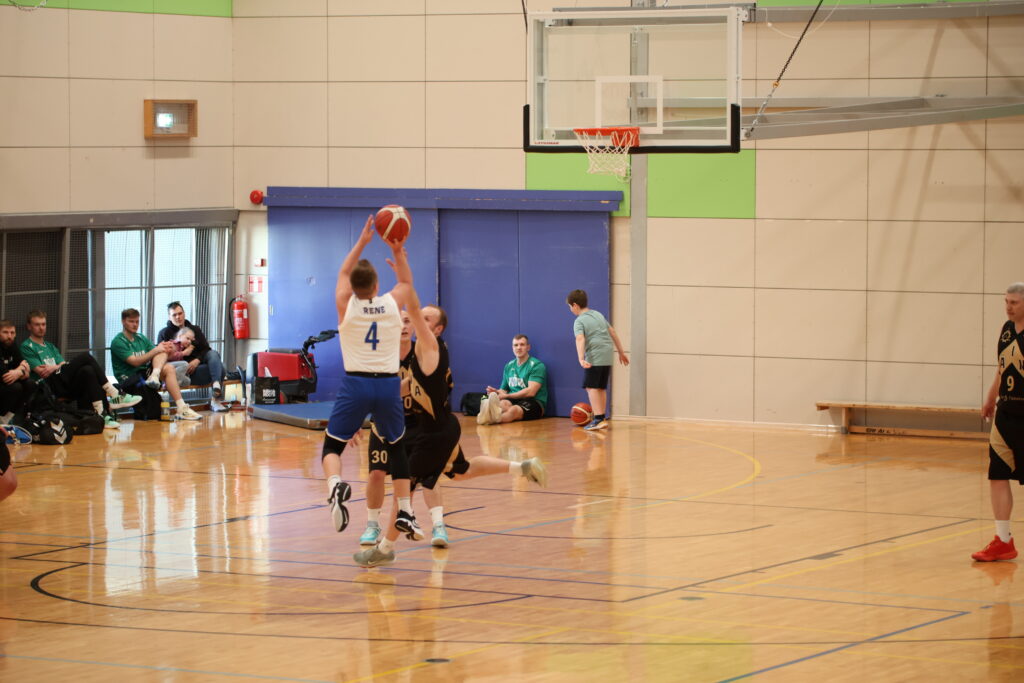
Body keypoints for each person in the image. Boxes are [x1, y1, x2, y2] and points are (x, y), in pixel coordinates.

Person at [354, 292, 549, 568]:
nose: (416, 321)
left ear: (437, 329)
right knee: (460, 471)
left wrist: (402, 282)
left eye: (424, 319)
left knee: (404, 490)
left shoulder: (429, 351)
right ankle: (521, 467)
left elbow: (411, 316)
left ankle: (386, 548)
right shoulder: (416, 353)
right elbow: (400, 387)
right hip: (436, 427)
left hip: (430, 432)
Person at [322, 214, 421, 540]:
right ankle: (405, 510)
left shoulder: (346, 305)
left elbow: (342, 272)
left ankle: (335, 485)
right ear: (378, 286)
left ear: (353, 287)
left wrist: (363, 241)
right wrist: (398, 251)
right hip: (389, 384)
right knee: (397, 447)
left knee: (332, 446)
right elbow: (405, 283)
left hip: (356, 383)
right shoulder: (392, 304)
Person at [360, 307, 450, 549]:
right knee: (376, 473)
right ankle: (372, 524)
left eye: (408, 321)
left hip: (419, 422)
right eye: (397, 321)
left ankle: (438, 525)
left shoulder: (424, 352)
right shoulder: (380, 354)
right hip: (386, 423)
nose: (403, 326)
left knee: (428, 475)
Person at [19, 310, 140, 429]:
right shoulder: (26, 346)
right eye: (37, 324)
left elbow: (62, 364)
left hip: (61, 382)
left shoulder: (50, 346)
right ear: (29, 326)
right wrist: (58, 366)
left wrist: (54, 367)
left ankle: (101, 415)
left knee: (88, 370)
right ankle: (114, 393)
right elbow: (42, 372)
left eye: (43, 324)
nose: (41, 328)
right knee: (86, 357)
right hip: (47, 387)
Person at [975, 282, 1024, 562]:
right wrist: (991, 397)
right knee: (997, 474)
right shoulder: (1007, 329)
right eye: (1006, 301)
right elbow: (1002, 366)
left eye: (1014, 302)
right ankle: (1003, 541)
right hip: (1006, 413)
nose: (1008, 307)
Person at [110, 308, 202, 421]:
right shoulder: (118, 341)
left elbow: (158, 352)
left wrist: (169, 348)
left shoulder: (140, 338)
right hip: (129, 378)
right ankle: (155, 375)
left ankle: (181, 408)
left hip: (144, 374)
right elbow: (135, 362)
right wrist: (157, 349)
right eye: (131, 321)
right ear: (123, 322)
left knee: (168, 365)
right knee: (159, 350)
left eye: (137, 321)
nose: (135, 325)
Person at [566, 289, 629, 431]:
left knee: (591, 387)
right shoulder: (598, 314)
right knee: (600, 387)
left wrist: (581, 358)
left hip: (595, 355)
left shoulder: (579, 320)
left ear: (575, 305)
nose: (570, 310)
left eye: (570, 306)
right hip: (607, 354)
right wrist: (621, 352)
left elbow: (580, 338)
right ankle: (602, 418)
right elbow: (612, 332)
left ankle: (598, 419)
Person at [157, 302, 228, 412]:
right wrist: (183, 355)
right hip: (183, 373)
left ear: (184, 313)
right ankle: (216, 398)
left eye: (180, 313)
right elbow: (162, 358)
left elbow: (206, 349)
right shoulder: (164, 333)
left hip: (199, 366)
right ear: (169, 317)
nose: (178, 317)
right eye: (174, 315)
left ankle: (216, 390)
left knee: (214, 354)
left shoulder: (195, 329)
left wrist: (197, 360)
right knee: (221, 369)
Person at [478, 334, 548, 425]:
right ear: (512, 348)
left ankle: (490, 419)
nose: (519, 348)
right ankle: (489, 415)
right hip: (514, 399)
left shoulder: (536, 365)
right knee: (503, 404)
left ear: (528, 347)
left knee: (514, 410)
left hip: (534, 402)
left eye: (522, 344)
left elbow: (531, 392)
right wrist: (496, 392)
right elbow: (504, 390)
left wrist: (507, 395)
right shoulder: (509, 366)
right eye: (516, 345)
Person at [0, 320, 32, 426]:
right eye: (5, 332)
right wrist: (21, 370)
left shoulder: (12, 345)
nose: (9, 336)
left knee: (30, 384)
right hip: (3, 383)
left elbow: (26, 368)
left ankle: (7, 418)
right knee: (16, 387)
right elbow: (5, 377)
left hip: (8, 382)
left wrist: (19, 371)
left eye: (12, 333)